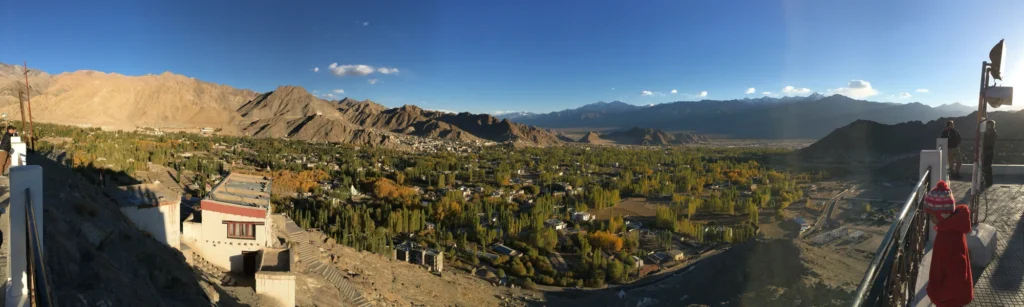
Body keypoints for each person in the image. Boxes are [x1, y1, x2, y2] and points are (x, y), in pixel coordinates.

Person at [924, 180, 974, 307]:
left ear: (942, 215)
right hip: (951, 298)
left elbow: (957, 275)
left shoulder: (949, 237)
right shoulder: (951, 229)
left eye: (932, 216)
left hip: (950, 301)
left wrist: (941, 296)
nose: (931, 220)